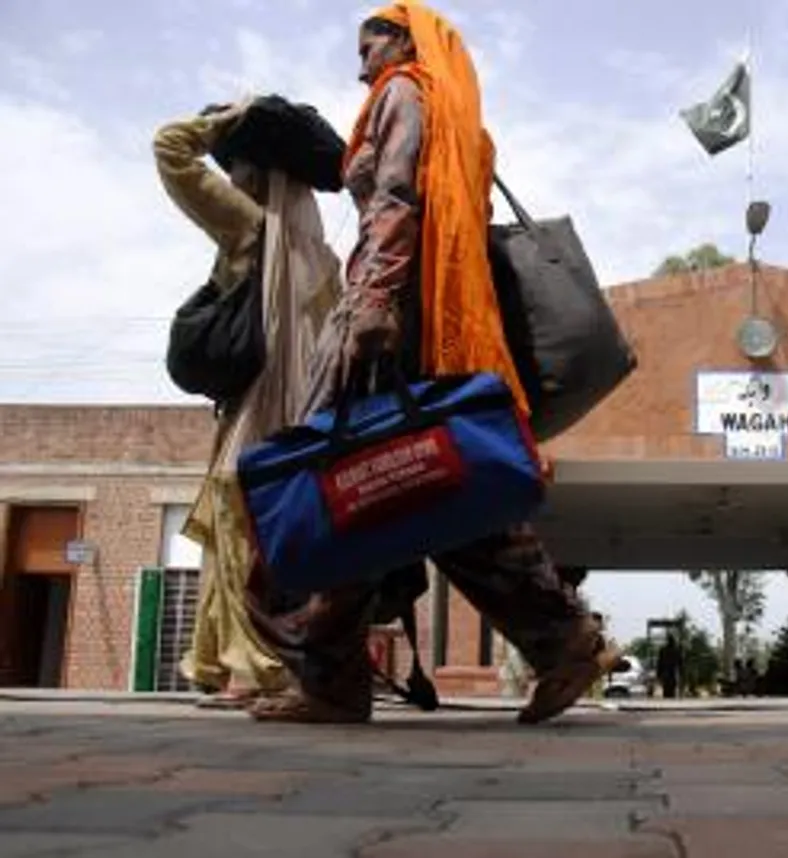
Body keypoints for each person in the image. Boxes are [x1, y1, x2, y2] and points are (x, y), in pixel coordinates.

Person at [245, 0, 617, 726]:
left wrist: (375, 299)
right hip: (425, 312)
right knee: (429, 485)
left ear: (406, 38)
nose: (360, 65)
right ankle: (562, 639)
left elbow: (396, 196)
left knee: (329, 481)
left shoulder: (403, 93)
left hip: (389, 315)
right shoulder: (452, 112)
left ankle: (329, 673)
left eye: (370, 42)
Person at [153, 103, 341, 709]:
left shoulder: (252, 226)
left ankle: (259, 666)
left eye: (237, 168)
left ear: (259, 175)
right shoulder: (325, 259)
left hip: (259, 415)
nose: (230, 180)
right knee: (267, 530)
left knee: (238, 519)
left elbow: (169, 148)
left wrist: (228, 116)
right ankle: (242, 664)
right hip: (304, 420)